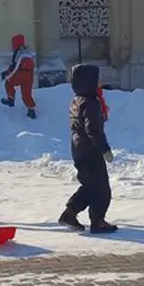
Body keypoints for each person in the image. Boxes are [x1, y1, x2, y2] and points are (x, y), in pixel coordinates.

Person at [59, 63, 116, 233]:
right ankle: (98, 221)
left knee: (90, 186)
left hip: (78, 150)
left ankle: (69, 213)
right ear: (89, 81)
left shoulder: (76, 100)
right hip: (90, 151)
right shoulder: (91, 103)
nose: (100, 82)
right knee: (101, 189)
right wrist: (104, 149)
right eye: (97, 79)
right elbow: (93, 129)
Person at [0, 33, 37, 119]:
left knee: (8, 83)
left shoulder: (17, 53)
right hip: (30, 76)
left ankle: (11, 99)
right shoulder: (28, 52)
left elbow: (13, 67)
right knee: (26, 94)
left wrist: (6, 73)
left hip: (20, 75)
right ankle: (31, 110)